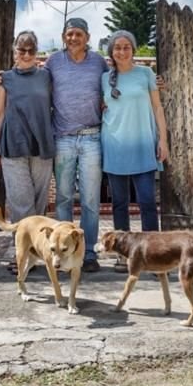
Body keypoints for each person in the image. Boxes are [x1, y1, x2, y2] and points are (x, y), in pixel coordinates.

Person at [100, 29, 169, 272]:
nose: (121, 51)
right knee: (119, 203)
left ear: (134, 49)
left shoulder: (146, 73)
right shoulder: (104, 78)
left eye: (126, 46)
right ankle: (124, 254)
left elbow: (158, 108)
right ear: (111, 51)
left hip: (143, 144)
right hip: (114, 145)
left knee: (148, 202)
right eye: (117, 47)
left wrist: (163, 141)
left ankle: (154, 254)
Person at [45, 18, 109, 273]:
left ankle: (89, 251)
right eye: (69, 34)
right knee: (63, 197)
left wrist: (154, 82)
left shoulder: (98, 62)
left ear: (87, 36)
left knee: (91, 199)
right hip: (62, 138)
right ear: (63, 37)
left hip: (93, 137)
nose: (73, 38)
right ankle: (62, 250)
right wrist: (2, 76)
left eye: (78, 34)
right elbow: (34, 82)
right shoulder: (52, 61)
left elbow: (116, 83)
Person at [0, 30, 54, 274]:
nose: (26, 54)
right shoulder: (5, 78)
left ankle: (36, 254)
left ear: (37, 52)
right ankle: (22, 256)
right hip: (13, 145)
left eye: (31, 50)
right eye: (21, 49)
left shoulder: (47, 77)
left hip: (42, 145)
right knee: (21, 203)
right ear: (14, 51)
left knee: (38, 204)